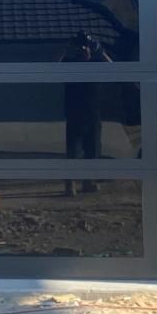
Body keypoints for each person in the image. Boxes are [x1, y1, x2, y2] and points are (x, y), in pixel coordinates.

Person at [60, 32, 110, 195]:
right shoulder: (69, 64)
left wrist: (100, 51)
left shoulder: (96, 65)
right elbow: (51, 66)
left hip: (93, 113)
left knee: (92, 149)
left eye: (86, 48)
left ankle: (87, 181)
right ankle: (70, 184)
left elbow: (114, 68)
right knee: (73, 151)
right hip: (74, 112)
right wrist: (66, 49)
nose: (83, 51)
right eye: (81, 48)